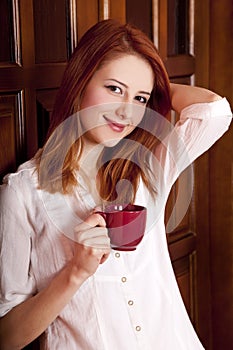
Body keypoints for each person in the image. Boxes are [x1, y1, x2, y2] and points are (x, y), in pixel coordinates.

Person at [0, 19, 232, 350]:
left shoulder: (148, 168)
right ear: (81, 81)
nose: (125, 111)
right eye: (114, 89)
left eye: (140, 98)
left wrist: (159, 89)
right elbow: (7, 337)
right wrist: (76, 271)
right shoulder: (22, 193)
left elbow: (213, 113)